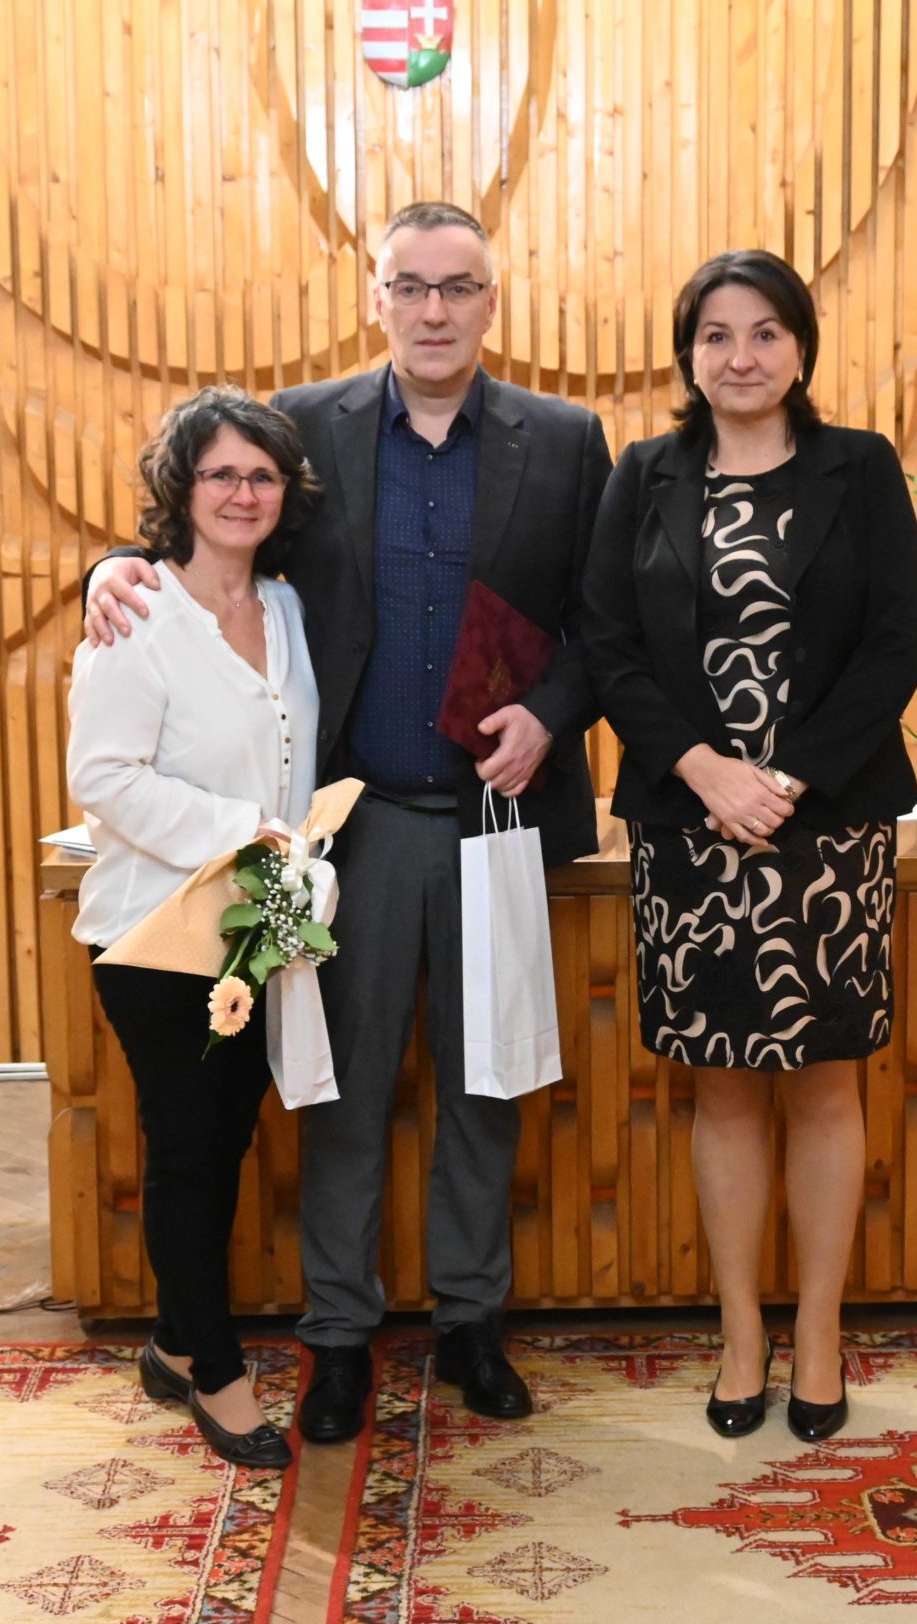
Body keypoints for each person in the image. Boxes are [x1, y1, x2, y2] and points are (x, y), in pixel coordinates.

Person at [84, 203, 612, 1444]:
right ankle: (337, 1335)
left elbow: (608, 620)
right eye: (409, 286)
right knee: (340, 1088)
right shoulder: (307, 425)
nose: (434, 310)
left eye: (459, 287)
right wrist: (105, 566)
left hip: (495, 816)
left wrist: (551, 712)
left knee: (487, 1081)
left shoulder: (564, 439)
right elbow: (209, 529)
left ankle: (472, 1320)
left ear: (492, 302)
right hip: (343, 830)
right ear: (375, 299)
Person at [579, 250, 917, 1441]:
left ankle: (818, 1334)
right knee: (721, 1087)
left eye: (765, 332)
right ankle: (740, 1336)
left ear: (801, 348)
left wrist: (786, 777)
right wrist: (703, 768)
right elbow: (608, 643)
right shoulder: (644, 474)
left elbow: (893, 644)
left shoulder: (860, 468)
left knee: (826, 1083)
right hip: (691, 828)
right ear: (688, 354)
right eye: (716, 334)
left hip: (826, 825)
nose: (741, 356)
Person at [67, 387, 323, 1469]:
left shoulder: (289, 610)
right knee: (187, 1149)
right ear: (182, 488)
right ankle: (217, 1374)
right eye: (221, 473)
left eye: (262, 475)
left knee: (227, 1138)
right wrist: (240, 829)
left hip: (258, 924)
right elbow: (102, 776)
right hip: (156, 931)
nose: (242, 493)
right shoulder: (134, 615)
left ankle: (174, 1342)